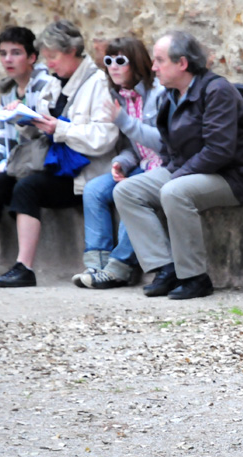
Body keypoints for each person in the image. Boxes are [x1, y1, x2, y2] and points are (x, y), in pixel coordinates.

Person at [0, 20, 118, 287]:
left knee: (27, 188)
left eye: (52, 57)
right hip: (52, 164)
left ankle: (24, 267)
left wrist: (59, 128)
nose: (48, 63)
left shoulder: (98, 84)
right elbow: (41, 131)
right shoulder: (55, 84)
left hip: (82, 174)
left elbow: (104, 138)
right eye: (46, 58)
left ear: (71, 51)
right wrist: (25, 120)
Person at [113, 30, 243, 300]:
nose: (153, 67)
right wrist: (169, 169)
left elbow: (219, 151)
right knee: (126, 191)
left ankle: (195, 278)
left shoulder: (217, 90)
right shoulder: (168, 96)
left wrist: (176, 175)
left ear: (182, 63)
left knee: (174, 191)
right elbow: (169, 145)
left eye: (159, 60)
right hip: (187, 171)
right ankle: (165, 268)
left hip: (230, 176)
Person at [71, 36, 164, 289]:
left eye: (120, 60)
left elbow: (164, 144)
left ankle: (119, 268)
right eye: (108, 61)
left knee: (128, 192)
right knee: (93, 189)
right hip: (140, 166)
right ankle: (97, 263)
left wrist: (124, 121)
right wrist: (121, 162)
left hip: (163, 167)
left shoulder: (158, 94)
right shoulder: (120, 97)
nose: (113, 66)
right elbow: (132, 148)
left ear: (137, 63)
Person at [0, 27, 57, 255]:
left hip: (31, 165)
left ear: (32, 57)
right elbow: (0, 138)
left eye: (16, 53)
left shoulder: (44, 86)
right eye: (3, 53)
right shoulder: (9, 90)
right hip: (8, 163)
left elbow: (38, 144)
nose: (8, 59)